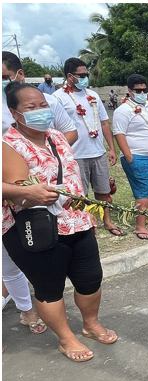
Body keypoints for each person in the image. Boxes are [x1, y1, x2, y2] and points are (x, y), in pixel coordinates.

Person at [3, 81, 114, 363]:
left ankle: (90, 323)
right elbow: (17, 192)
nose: (40, 111)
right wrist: (29, 192)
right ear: (15, 113)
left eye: (42, 105)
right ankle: (66, 339)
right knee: (49, 286)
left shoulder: (56, 136)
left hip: (77, 219)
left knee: (90, 278)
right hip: (37, 226)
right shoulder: (10, 145)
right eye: (31, 107)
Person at [55, 58, 123, 237]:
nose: (86, 78)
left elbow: (104, 123)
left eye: (87, 74)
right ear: (70, 76)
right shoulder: (58, 98)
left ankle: (107, 221)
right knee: (80, 194)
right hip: (75, 154)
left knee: (103, 190)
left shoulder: (92, 95)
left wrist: (111, 148)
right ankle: (86, 223)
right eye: (82, 75)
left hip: (97, 152)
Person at [112, 74, 148, 240]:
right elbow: (119, 134)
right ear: (130, 91)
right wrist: (129, 156)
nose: (142, 93)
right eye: (138, 90)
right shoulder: (123, 110)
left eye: (144, 89)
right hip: (137, 156)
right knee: (144, 191)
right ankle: (140, 226)